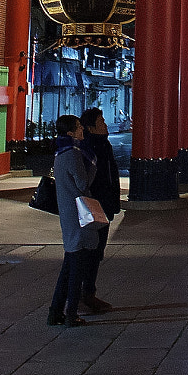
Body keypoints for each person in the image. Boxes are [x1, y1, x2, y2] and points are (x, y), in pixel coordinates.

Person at [47, 114, 102, 327]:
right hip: (78, 216)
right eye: (78, 127)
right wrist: (93, 166)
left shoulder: (60, 152)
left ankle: (55, 312)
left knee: (69, 265)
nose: (82, 130)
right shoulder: (73, 154)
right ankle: (71, 314)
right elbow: (82, 182)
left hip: (68, 213)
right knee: (76, 267)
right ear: (70, 132)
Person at [77, 107, 119, 313]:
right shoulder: (90, 148)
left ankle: (86, 292)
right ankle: (85, 294)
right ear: (91, 128)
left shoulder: (103, 145)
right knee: (91, 250)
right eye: (101, 122)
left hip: (104, 205)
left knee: (97, 250)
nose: (105, 125)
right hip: (94, 206)